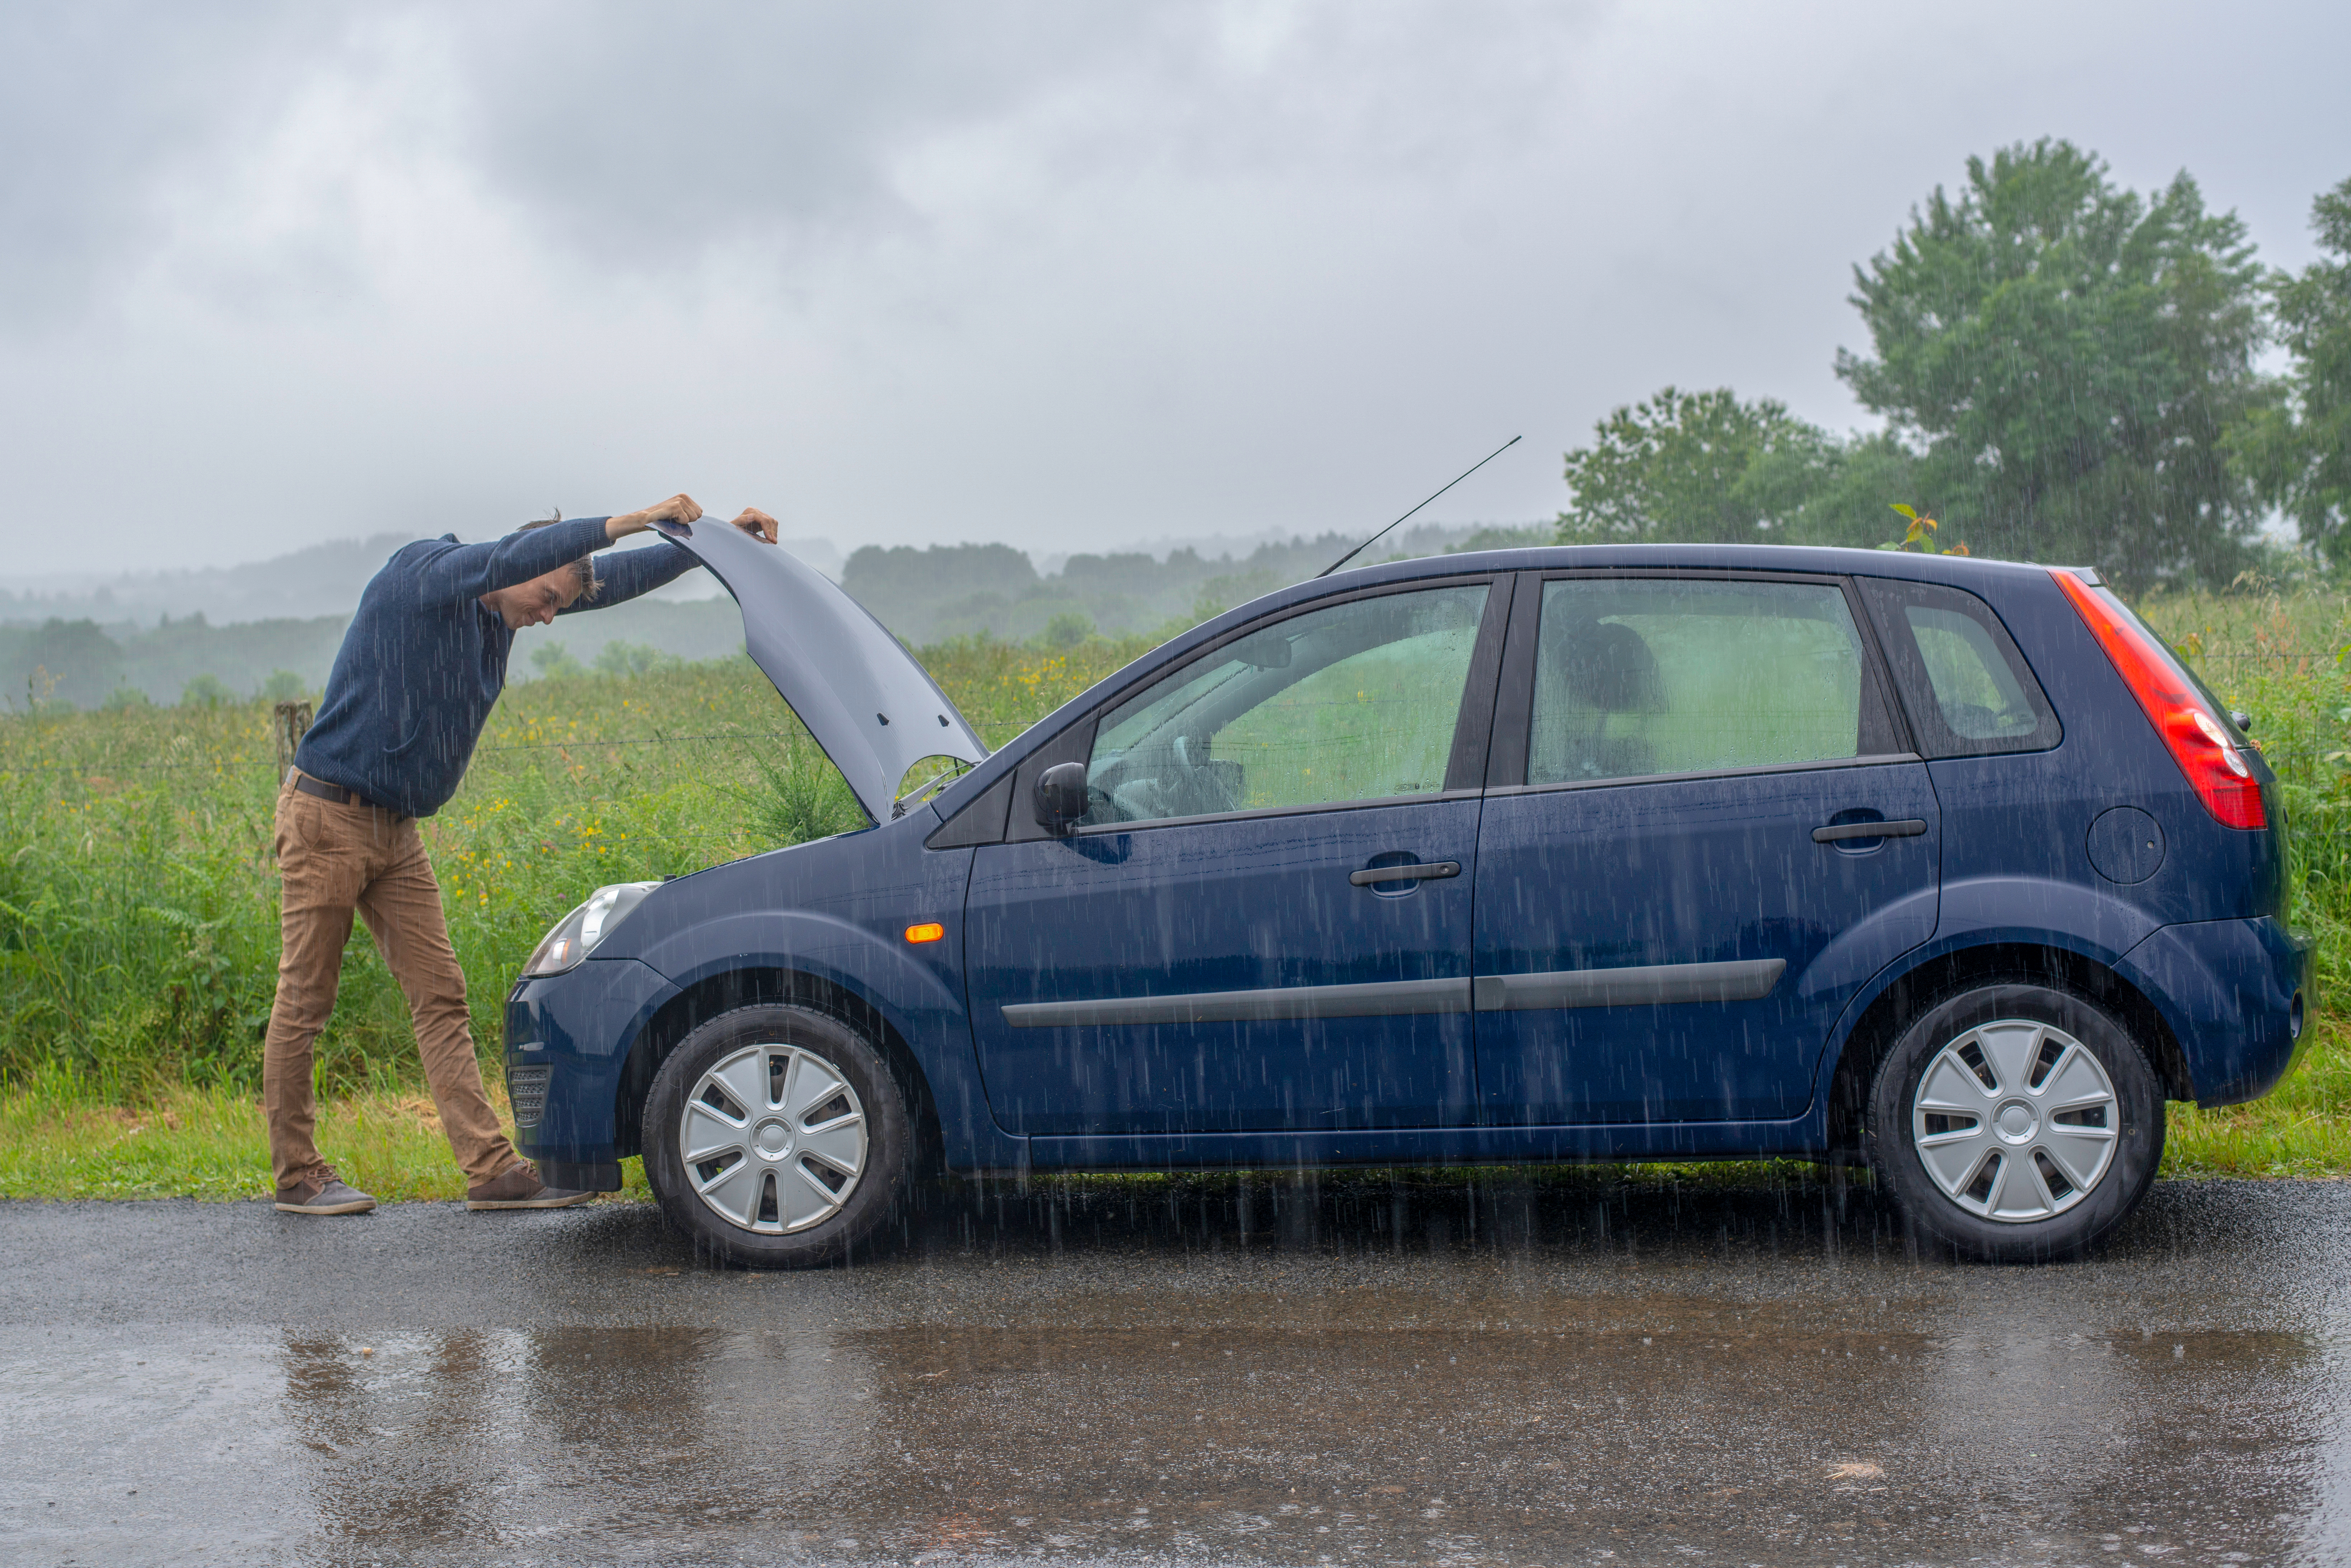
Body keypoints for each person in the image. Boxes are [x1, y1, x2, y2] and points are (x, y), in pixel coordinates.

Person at [265, 494, 779, 1216]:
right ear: (523, 565)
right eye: (544, 599)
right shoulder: (424, 574)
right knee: (306, 1002)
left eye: (556, 607)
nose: (545, 617)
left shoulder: (503, 607)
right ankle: (298, 1174)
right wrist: (635, 516)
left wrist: (712, 544)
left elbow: (611, 583)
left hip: (396, 830)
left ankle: (490, 1169)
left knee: (441, 995)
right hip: (327, 816)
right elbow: (514, 560)